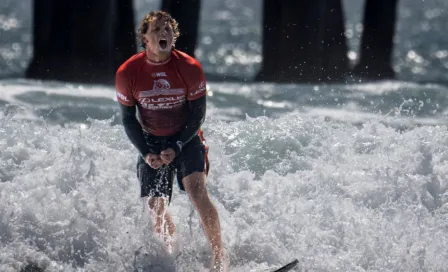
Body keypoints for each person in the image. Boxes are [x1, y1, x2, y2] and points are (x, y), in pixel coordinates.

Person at [115, 10, 227, 272]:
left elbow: (198, 114)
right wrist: (145, 152)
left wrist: (177, 145)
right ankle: (171, 257)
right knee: (156, 206)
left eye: (168, 30)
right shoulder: (128, 72)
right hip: (150, 141)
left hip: (186, 139)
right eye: (157, 30)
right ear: (145, 38)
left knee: (197, 193)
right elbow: (129, 119)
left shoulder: (188, 67)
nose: (164, 34)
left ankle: (220, 259)